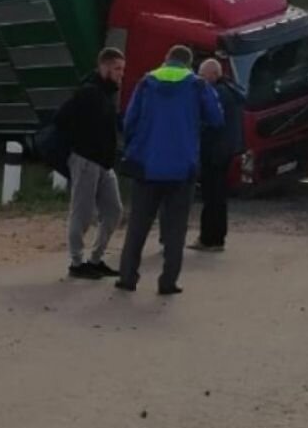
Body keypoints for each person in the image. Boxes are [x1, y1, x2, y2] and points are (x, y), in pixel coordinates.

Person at [115, 45, 223, 296]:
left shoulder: (146, 82)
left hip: (147, 165)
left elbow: (129, 121)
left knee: (138, 226)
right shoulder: (198, 86)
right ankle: (168, 282)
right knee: (176, 229)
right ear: (189, 64)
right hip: (182, 168)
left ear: (166, 59)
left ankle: (128, 277)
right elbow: (217, 119)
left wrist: (133, 146)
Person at [54, 47, 125, 280]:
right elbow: (62, 119)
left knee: (114, 210)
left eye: (122, 69)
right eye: (117, 69)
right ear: (104, 67)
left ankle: (96, 259)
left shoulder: (106, 93)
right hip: (86, 160)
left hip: (104, 163)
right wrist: (79, 145)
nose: (120, 74)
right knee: (82, 213)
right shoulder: (88, 92)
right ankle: (77, 262)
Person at [190, 59, 244, 252]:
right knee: (219, 197)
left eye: (203, 76)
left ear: (214, 74)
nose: (201, 80)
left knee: (211, 196)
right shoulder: (231, 91)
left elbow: (210, 121)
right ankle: (217, 238)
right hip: (226, 150)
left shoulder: (217, 93)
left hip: (214, 151)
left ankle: (208, 238)